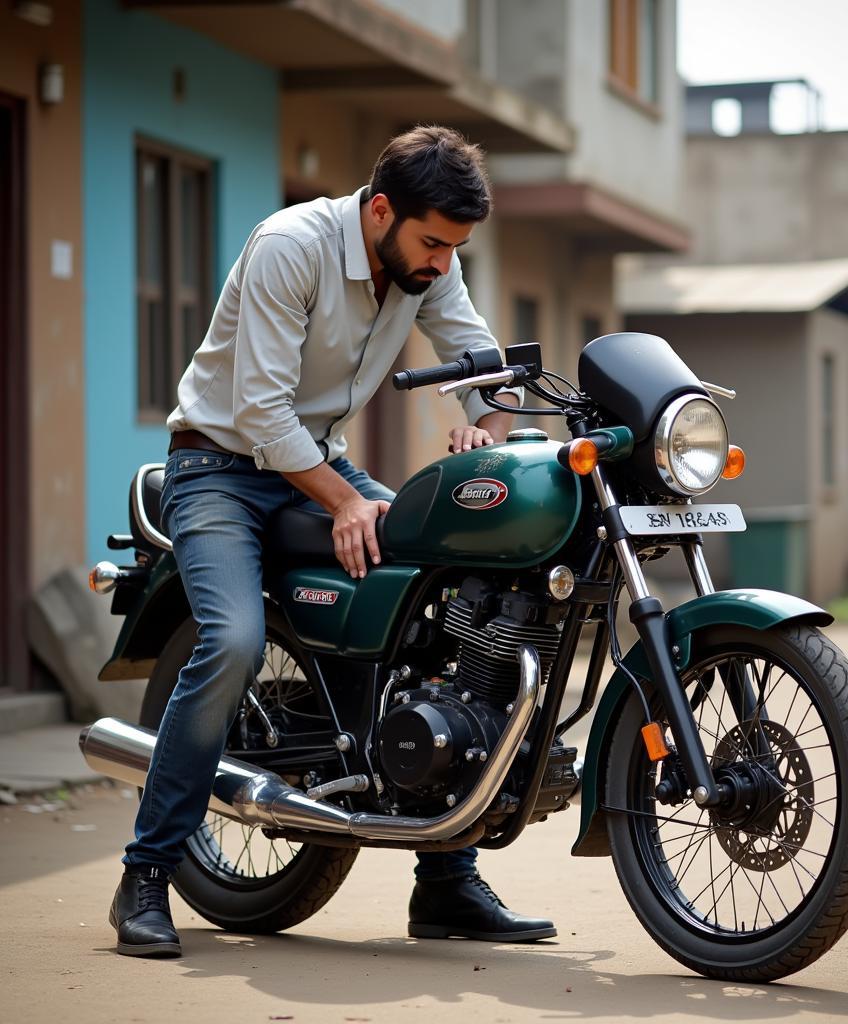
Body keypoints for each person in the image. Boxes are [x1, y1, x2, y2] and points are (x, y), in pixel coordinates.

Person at [109, 125, 555, 958]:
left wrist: (484, 430)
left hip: (318, 463)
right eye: (432, 242)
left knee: (450, 603)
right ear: (380, 210)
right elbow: (261, 415)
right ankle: (144, 874)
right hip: (218, 468)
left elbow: (485, 371)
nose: (441, 263)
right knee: (235, 640)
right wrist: (347, 499)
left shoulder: (427, 263)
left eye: (455, 249)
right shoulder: (291, 247)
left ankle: (445, 881)